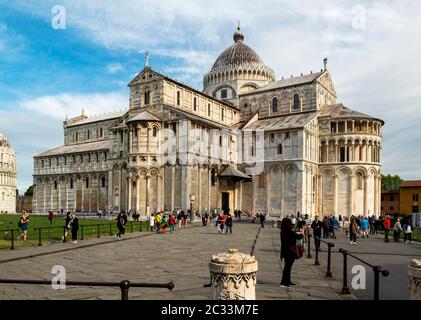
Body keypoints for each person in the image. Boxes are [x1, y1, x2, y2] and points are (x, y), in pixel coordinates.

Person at [280, 217, 303, 288]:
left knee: (288, 267)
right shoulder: (289, 232)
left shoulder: (283, 231)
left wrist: (295, 229)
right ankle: (284, 282)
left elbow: (292, 235)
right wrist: (303, 230)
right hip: (290, 252)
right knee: (287, 268)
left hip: (285, 252)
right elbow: (299, 237)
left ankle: (288, 281)